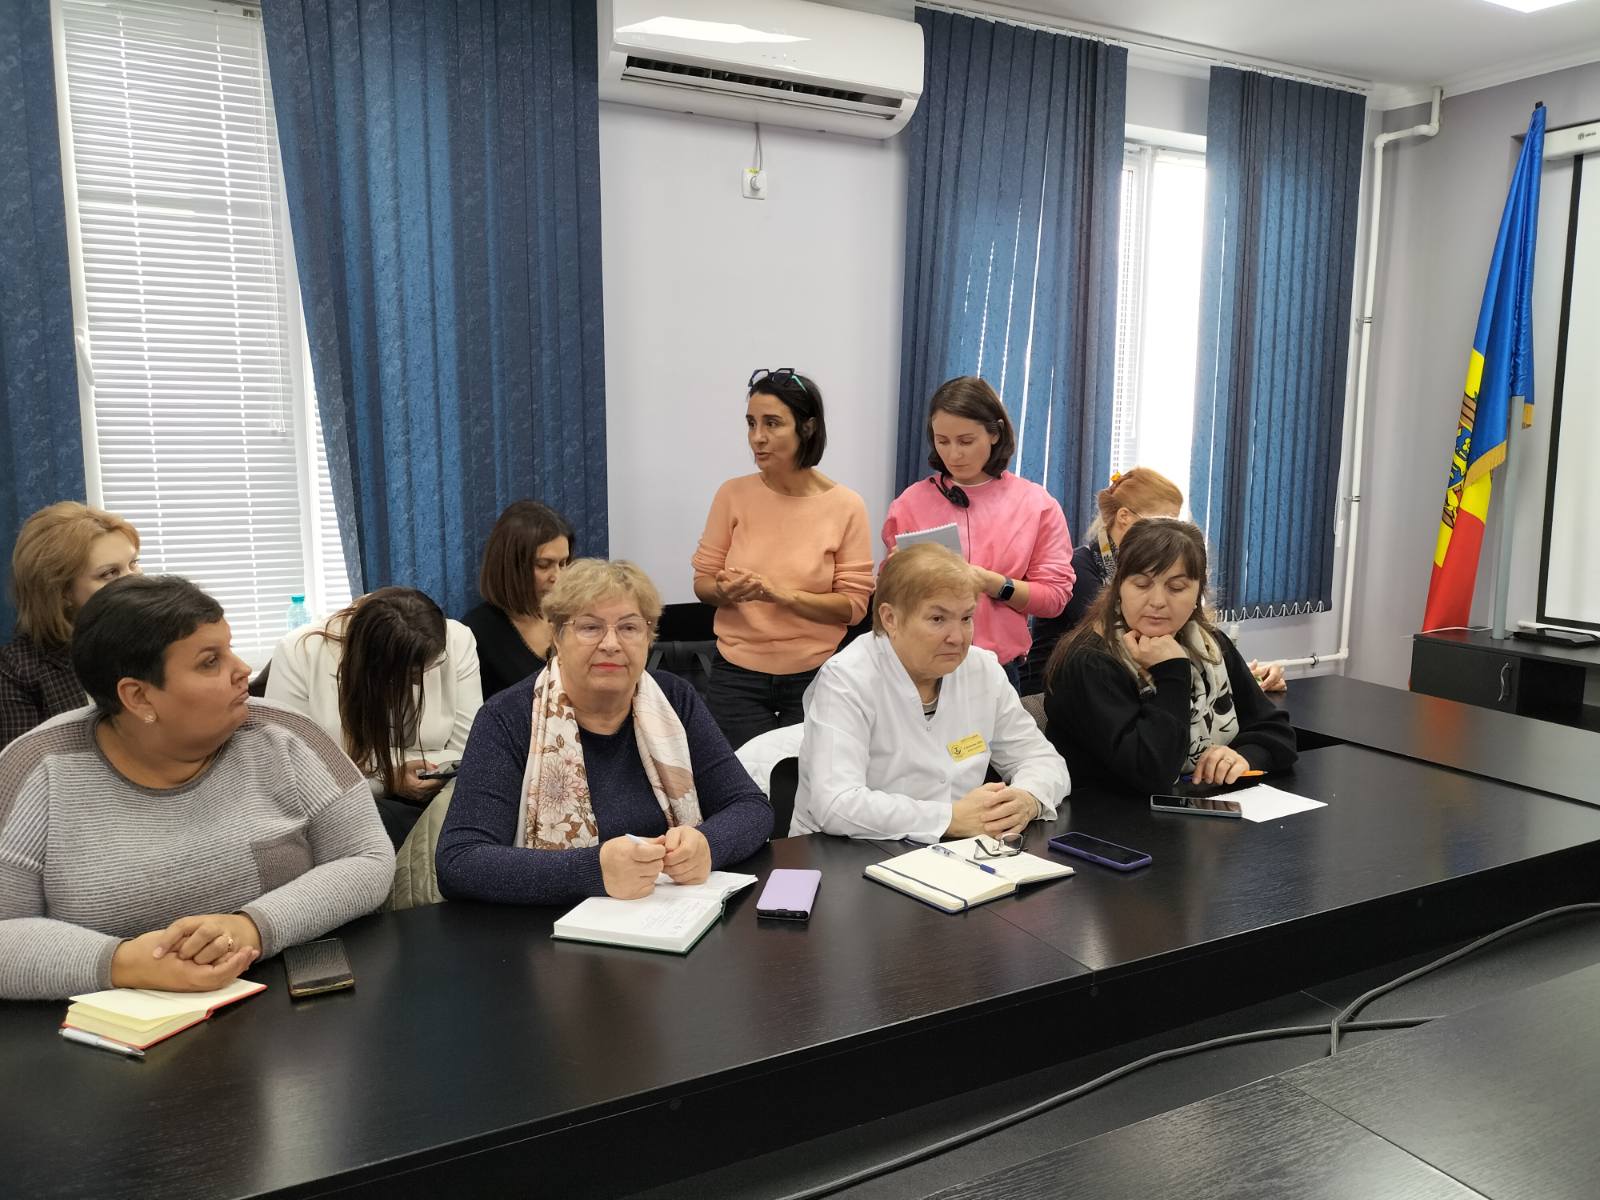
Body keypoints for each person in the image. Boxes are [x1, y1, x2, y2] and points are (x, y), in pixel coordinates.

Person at [0, 575, 393, 1001]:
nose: (242, 670)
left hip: (291, 1007)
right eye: (210, 662)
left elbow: (367, 859)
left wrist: (249, 927)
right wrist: (125, 963)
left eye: (230, 648)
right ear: (138, 697)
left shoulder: (286, 736)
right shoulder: (35, 771)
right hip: (112, 1026)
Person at [436, 559, 772, 906]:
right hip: (548, 927)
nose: (611, 643)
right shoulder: (508, 717)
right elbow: (460, 861)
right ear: (557, 636)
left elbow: (751, 807)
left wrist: (708, 845)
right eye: (590, 627)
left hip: (671, 915)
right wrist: (592, 871)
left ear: (649, 637)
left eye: (629, 628)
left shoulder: (675, 698)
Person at [792, 543, 1070, 843]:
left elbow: (1044, 761)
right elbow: (835, 804)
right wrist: (948, 818)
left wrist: (1026, 798)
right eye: (938, 619)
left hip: (955, 850)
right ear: (890, 619)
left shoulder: (982, 670)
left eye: (966, 618)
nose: (957, 637)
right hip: (846, 851)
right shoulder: (847, 679)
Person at [1042, 519, 1298, 794]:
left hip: (1200, 807)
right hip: (1107, 814)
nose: (1157, 601)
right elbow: (1152, 773)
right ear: (1119, 588)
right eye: (1141, 584)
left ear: (1198, 591)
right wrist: (1172, 671)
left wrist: (1243, 757)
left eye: (1176, 588)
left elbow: (1277, 732)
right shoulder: (1088, 662)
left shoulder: (1209, 645)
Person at [691, 368, 873, 749]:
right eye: (751, 423)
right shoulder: (732, 494)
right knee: (738, 779)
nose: (757, 437)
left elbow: (854, 608)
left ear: (807, 427)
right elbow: (703, 584)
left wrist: (781, 595)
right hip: (735, 677)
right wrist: (724, 591)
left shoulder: (846, 506)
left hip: (816, 674)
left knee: (809, 781)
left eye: (772, 423)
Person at [882, 376, 1074, 692]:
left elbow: (1054, 599)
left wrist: (992, 583)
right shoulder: (910, 503)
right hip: (921, 668)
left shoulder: (1035, 504)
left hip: (998, 670)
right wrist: (896, 573)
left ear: (995, 434)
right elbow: (888, 599)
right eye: (942, 441)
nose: (954, 454)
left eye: (966, 441)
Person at [1024, 469, 1287, 693]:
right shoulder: (1078, 568)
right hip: (1060, 692)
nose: (1170, 531)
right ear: (1124, 517)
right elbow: (1133, 646)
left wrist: (1240, 677)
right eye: (1164, 519)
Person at [267, 587, 483, 847]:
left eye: (429, 668)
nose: (420, 681)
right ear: (373, 666)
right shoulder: (299, 653)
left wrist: (364, 769)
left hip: (438, 801)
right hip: (345, 812)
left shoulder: (457, 641)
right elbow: (294, 777)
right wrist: (388, 780)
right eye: (409, 676)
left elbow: (468, 755)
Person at [1, 502, 141, 749]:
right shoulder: (17, 669)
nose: (134, 581)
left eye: (133, 563)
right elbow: (23, 764)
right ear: (62, 592)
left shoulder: (162, 638)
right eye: (109, 573)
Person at [461, 501, 574, 698]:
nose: (558, 576)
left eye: (563, 563)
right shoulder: (477, 632)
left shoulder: (575, 614)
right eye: (544, 564)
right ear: (512, 566)